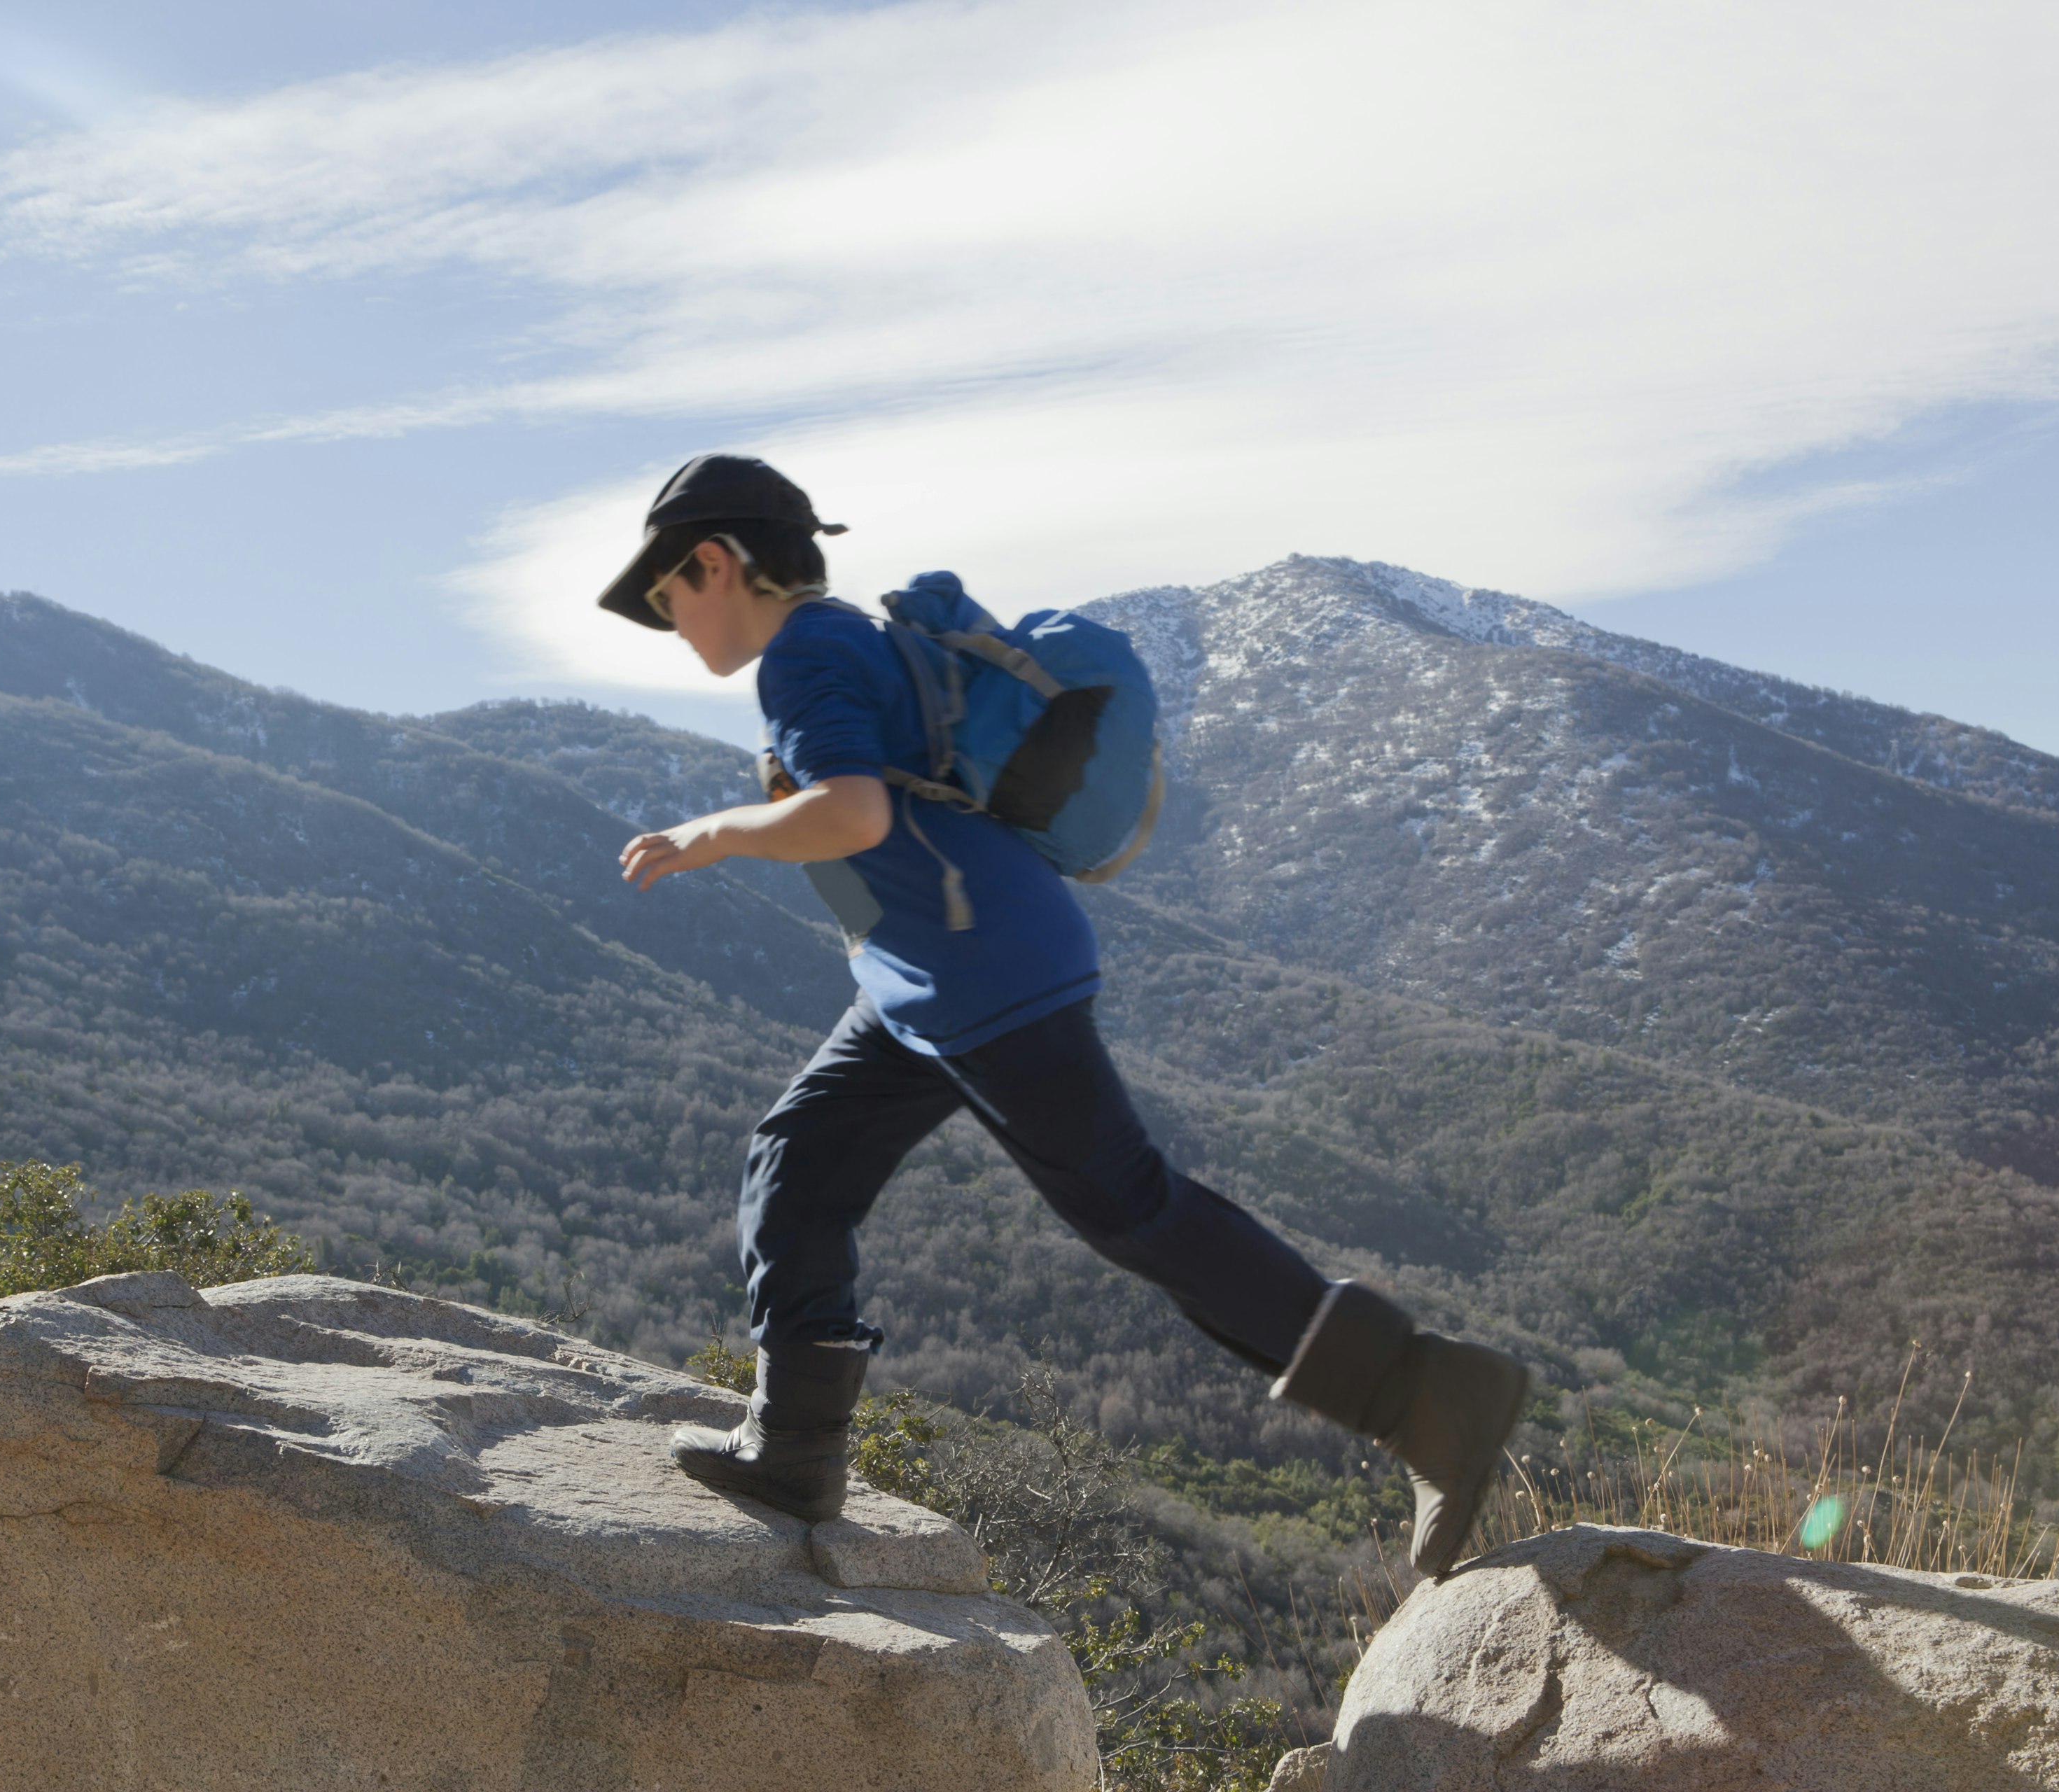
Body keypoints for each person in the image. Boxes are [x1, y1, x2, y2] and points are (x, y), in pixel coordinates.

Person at [601, 453, 1528, 1576]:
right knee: (796, 1160)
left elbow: (848, 814)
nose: (669, 622)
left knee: (1132, 1209)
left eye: (667, 596)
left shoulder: (803, 656)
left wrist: (705, 838)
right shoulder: (841, 638)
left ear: (717, 561)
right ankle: (795, 1448)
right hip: (921, 984)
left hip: (985, 976)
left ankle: (1425, 1394)